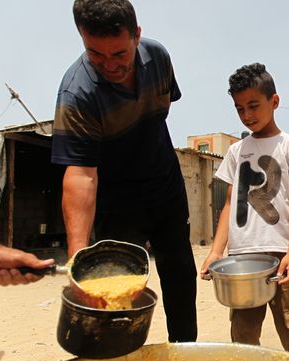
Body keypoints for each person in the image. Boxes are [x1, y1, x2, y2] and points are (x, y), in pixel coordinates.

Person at [51, 0, 197, 342]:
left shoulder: (158, 58)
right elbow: (81, 176)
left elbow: (158, 116)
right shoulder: (76, 93)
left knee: (180, 276)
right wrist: (78, 258)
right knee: (115, 292)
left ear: (137, 36)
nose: (109, 65)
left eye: (119, 54)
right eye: (95, 54)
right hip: (117, 199)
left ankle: (187, 351)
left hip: (165, 184)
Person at [200, 63, 289, 356]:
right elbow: (228, 204)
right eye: (240, 109)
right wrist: (215, 251)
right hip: (241, 257)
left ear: (274, 101)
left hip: (279, 253)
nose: (247, 115)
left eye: (253, 105)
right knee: (243, 331)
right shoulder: (237, 151)